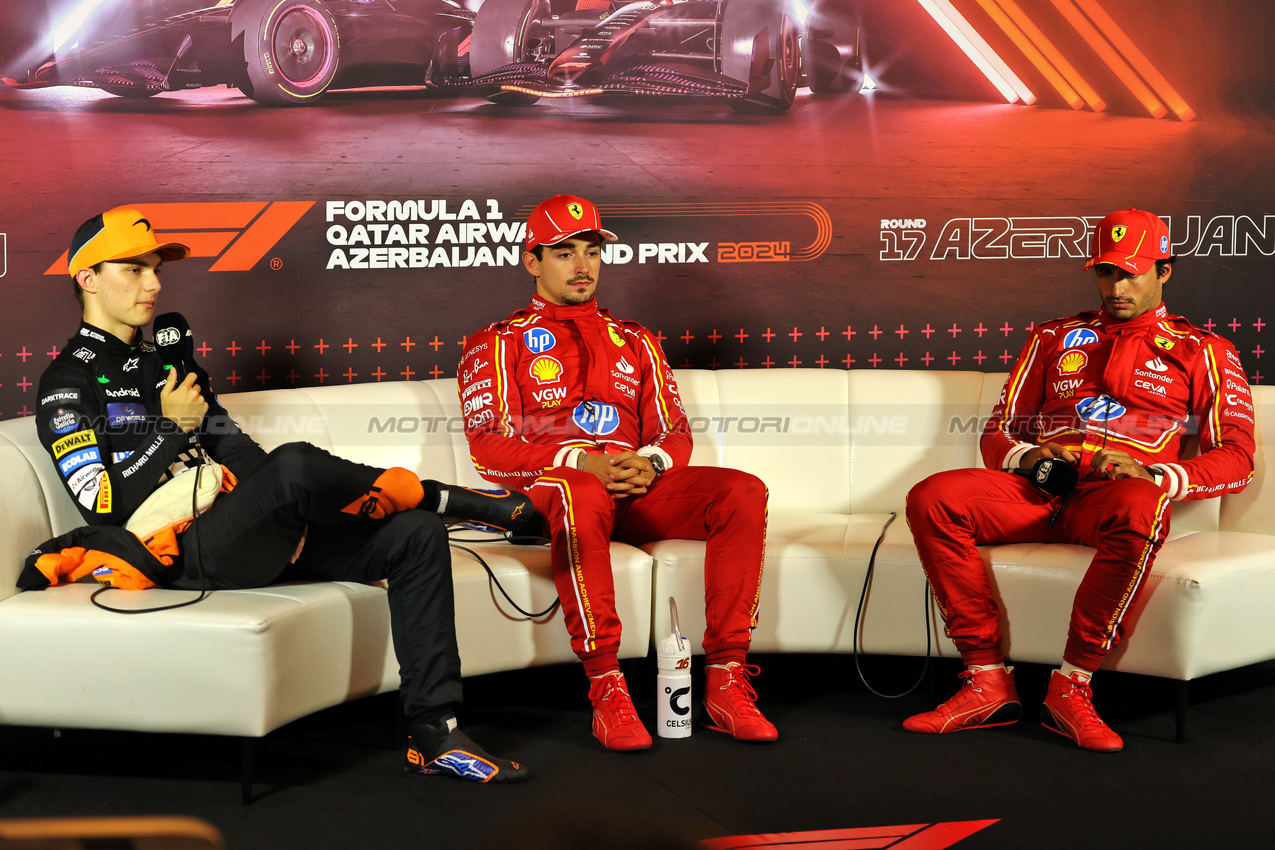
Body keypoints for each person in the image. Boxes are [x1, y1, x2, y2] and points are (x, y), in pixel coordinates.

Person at [28, 206, 538, 784]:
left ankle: (435, 733)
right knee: (295, 463)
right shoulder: (65, 381)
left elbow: (236, 452)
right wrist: (172, 430)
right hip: (185, 554)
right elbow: (101, 506)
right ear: (87, 278)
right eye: (134, 268)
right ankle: (457, 500)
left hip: (248, 530)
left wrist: (285, 495)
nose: (154, 283)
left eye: (156, 269)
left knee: (413, 535)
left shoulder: (166, 363)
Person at [903, 208, 1256, 752]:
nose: (1117, 286)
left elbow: (1236, 456)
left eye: (1132, 272)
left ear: (1165, 271)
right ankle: (985, 680)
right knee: (934, 496)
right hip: (1037, 490)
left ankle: (1072, 688)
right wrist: (1027, 458)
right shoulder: (1052, 338)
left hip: (1114, 500)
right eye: (1106, 272)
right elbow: (999, 431)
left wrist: (1157, 474)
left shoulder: (1204, 350)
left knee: (1143, 506)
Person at [458, 194, 776, 751]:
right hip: (557, 498)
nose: (583, 266)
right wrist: (584, 462)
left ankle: (727, 679)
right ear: (532, 261)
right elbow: (489, 449)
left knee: (741, 491)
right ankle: (607, 688)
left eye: (591, 252)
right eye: (563, 253)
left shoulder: (636, 339)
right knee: (580, 488)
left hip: (635, 493)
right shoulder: (496, 342)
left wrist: (647, 463)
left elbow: (674, 431)